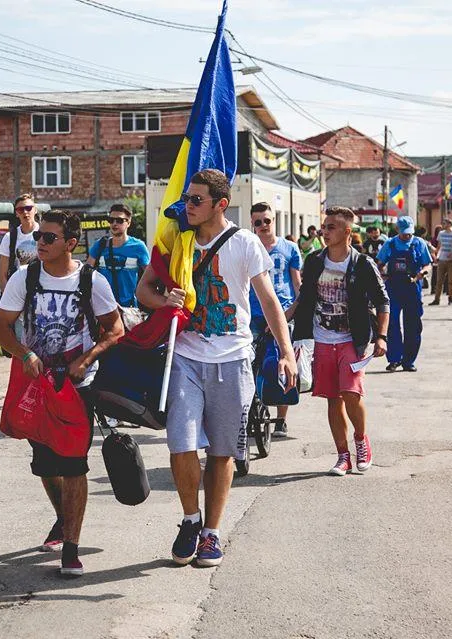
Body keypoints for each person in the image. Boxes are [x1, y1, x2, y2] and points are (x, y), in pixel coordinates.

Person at [135, 169, 296, 568]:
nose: (187, 206)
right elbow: (143, 291)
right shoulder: (178, 240)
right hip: (185, 357)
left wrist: (286, 351)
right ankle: (191, 519)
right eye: (187, 198)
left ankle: (212, 532)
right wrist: (164, 300)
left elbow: (269, 301)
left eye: (196, 200)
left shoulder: (245, 243)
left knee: (222, 452)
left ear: (220, 204)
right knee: (181, 444)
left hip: (233, 359)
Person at [0, 209, 124, 577]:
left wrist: (86, 359)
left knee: (74, 463)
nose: (40, 242)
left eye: (49, 237)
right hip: (38, 385)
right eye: (39, 236)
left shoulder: (92, 281)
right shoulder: (25, 277)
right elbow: (1, 328)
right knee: (45, 464)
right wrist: (25, 353)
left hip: (77, 387)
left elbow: (115, 330)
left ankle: (71, 547)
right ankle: (64, 518)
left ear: (71, 243)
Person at [287, 207, 389, 475]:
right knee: (333, 399)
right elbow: (304, 297)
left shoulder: (362, 263)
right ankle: (343, 456)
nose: (325, 231)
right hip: (322, 339)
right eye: (324, 226)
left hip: (352, 339)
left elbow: (382, 301)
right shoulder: (314, 261)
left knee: (351, 394)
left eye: (331, 227)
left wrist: (381, 336)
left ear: (347, 232)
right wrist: (281, 319)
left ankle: (361, 441)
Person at [249, 202, 302, 438]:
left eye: (267, 220)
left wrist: (294, 310)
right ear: (253, 224)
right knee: (251, 363)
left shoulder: (290, 248)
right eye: (258, 222)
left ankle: (281, 419)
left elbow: (297, 285)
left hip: (283, 313)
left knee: (283, 363)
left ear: (274, 221)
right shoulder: (249, 247)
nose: (263, 225)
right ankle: (252, 413)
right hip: (254, 314)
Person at [376, 215, 431, 372]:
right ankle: (394, 359)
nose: (407, 235)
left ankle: (409, 361)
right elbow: (379, 263)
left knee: (413, 325)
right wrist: (382, 274)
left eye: (409, 232)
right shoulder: (390, 244)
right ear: (398, 230)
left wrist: (422, 273)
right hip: (393, 288)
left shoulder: (419, 243)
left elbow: (428, 264)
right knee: (391, 323)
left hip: (412, 288)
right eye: (404, 233)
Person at [86, 203, 150, 308]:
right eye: (111, 220)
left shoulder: (138, 247)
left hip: (128, 307)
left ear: (128, 223)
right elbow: (86, 273)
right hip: (103, 307)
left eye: (119, 220)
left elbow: (149, 277)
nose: (114, 224)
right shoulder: (100, 245)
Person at [0, 194, 39, 295]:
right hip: (17, 289)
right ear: (16, 213)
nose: (25, 212)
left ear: (35, 210)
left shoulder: (44, 233)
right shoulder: (9, 237)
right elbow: (2, 274)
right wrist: (8, 296)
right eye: (20, 209)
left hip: (40, 287)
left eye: (28, 208)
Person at [430, 218, 452, 306]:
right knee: (439, 281)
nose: (443, 225)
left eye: (444, 223)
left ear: (450, 224)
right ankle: (436, 299)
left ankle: (451, 298)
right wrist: (436, 255)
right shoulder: (441, 233)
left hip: (451, 260)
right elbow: (439, 246)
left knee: (451, 281)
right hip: (442, 259)